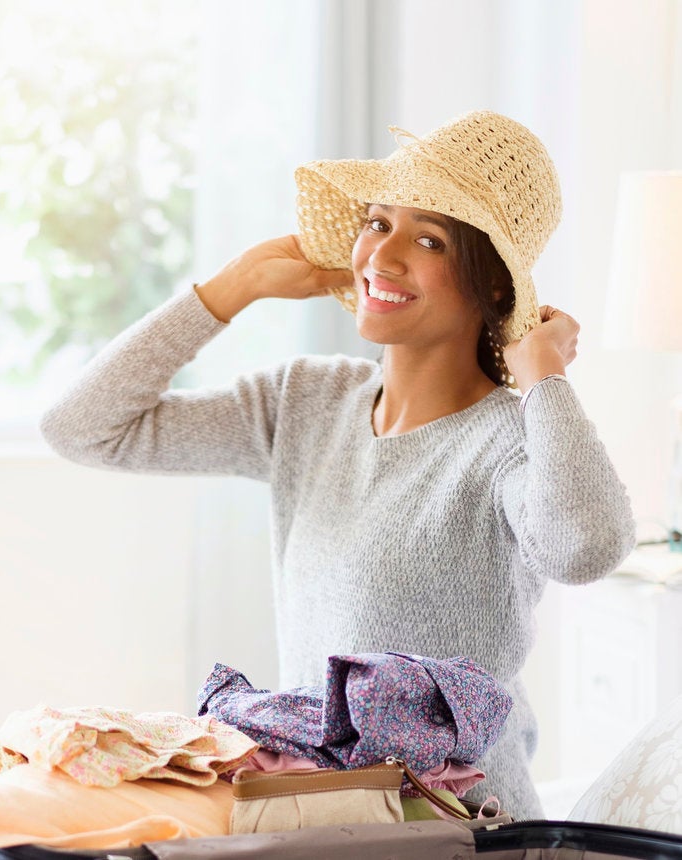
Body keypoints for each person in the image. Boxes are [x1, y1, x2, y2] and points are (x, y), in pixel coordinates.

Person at [40, 110, 635, 819]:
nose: (382, 256)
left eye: (429, 239)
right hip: (324, 817)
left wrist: (544, 377)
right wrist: (231, 288)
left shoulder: (510, 438)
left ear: (495, 287)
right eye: (378, 222)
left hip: (460, 830)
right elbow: (82, 429)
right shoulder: (306, 401)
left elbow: (586, 547)